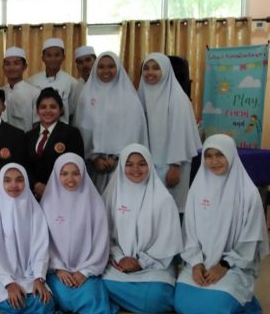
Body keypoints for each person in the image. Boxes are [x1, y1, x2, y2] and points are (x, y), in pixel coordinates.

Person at [174, 135, 268, 314]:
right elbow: (189, 232)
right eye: (209, 156)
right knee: (181, 303)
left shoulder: (248, 193)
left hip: (234, 266)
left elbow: (250, 240)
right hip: (200, 264)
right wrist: (196, 263)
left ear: (231, 155)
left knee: (218, 308)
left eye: (220, 155)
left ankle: (248, 303)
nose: (214, 161)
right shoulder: (197, 190)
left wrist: (223, 265)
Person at [101, 144, 182, 314]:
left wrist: (141, 262)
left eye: (142, 164)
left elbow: (167, 241)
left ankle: (118, 300)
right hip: (117, 264)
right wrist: (120, 257)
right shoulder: (111, 195)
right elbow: (103, 234)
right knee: (97, 283)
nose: (135, 170)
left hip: (153, 266)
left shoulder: (164, 200)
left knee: (157, 296)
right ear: (121, 166)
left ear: (150, 165)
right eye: (129, 164)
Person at [40, 153, 118, 314]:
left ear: (83, 174)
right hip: (56, 270)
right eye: (64, 173)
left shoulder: (94, 203)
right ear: (56, 175)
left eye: (76, 173)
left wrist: (85, 272)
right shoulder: (47, 203)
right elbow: (43, 241)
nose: (70, 179)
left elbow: (101, 241)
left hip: (87, 268)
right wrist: (58, 267)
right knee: (61, 294)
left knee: (92, 299)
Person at [0, 164, 61, 314]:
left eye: (19, 180)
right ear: (0, 183)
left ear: (26, 182)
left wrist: (39, 278)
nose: (13, 185)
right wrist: (9, 283)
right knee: (14, 302)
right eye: (7, 180)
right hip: (5, 275)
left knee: (45, 304)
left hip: (32, 275)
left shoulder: (35, 210)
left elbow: (41, 247)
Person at [74, 52, 147, 194]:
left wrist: (117, 157)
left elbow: (134, 130)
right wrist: (93, 157)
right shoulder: (86, 95)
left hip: (122, 164)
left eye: (111, 66)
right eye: (101, 67)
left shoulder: (129, 97)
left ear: (118, 68)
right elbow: (81, 130)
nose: (106, 71)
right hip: (93, 166)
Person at [139, 52, 200, 213]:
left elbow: (181, 134)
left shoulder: (177, 98)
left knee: (171, 209)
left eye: (156, 68)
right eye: (146, 68)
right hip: (149, 164)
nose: (150, 72)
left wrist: (175, 166)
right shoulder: (143, 94)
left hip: (172, 165)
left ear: (166, 70)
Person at [25, 88, 84, 200]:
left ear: (60, 110)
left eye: (53, 107)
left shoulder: (71, 133)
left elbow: (77, 166)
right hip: (33, 194)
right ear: (37, 111)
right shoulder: (29, 135)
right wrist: (36, 185)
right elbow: (24, 164)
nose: (48, 111)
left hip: (62, 193)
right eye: (43, 107)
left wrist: (51, 188)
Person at [27, 38, 82, 123]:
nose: (53, 59)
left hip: (62, 128)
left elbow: (71, 112)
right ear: (43, 58)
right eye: (49, 55)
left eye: (57, 55)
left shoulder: (72, 83)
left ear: (63, 57)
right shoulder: (31, 82)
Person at [2, 46, 40, 132]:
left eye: (16, 63)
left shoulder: (35, 92)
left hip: (26, 138)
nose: (11, 68)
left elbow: (37, 123)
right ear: (3, 67)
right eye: (7, 64)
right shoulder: (0, 92)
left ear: (24, 66)